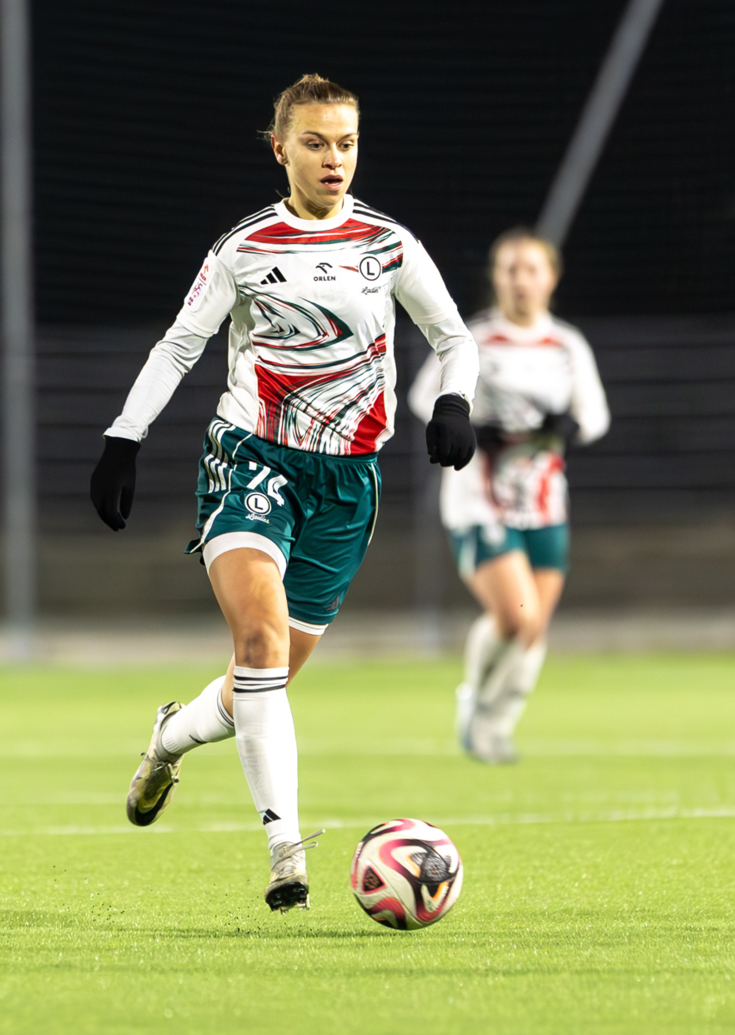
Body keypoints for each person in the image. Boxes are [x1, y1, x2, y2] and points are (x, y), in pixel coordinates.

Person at [90, 74, 479, 911]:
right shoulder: (245, 249)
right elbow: (179, 345)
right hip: (252, 459)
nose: (333, 158)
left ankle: (168, 738)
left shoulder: (388, 244)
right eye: (315, 142)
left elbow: (454, 338)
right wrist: (124, 437)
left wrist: (454, 400)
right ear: (280, 148)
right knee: (261, 645)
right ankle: (286, 856)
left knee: (257, 683)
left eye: (346, 142)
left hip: (348, 487)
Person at [409, 228, 608, 765]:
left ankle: (497, 722)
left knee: (534, 626)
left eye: (532, 269)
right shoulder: (474, 340)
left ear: (551, 278)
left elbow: (594, 415)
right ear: (496, 278)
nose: (521, 280)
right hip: (480, 499)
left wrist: (567, 429)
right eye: (510, 269)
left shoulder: (567, 345)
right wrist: (469, 425)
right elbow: (426, 397)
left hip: (543, 500)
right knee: (517, 616)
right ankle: (474, 700)